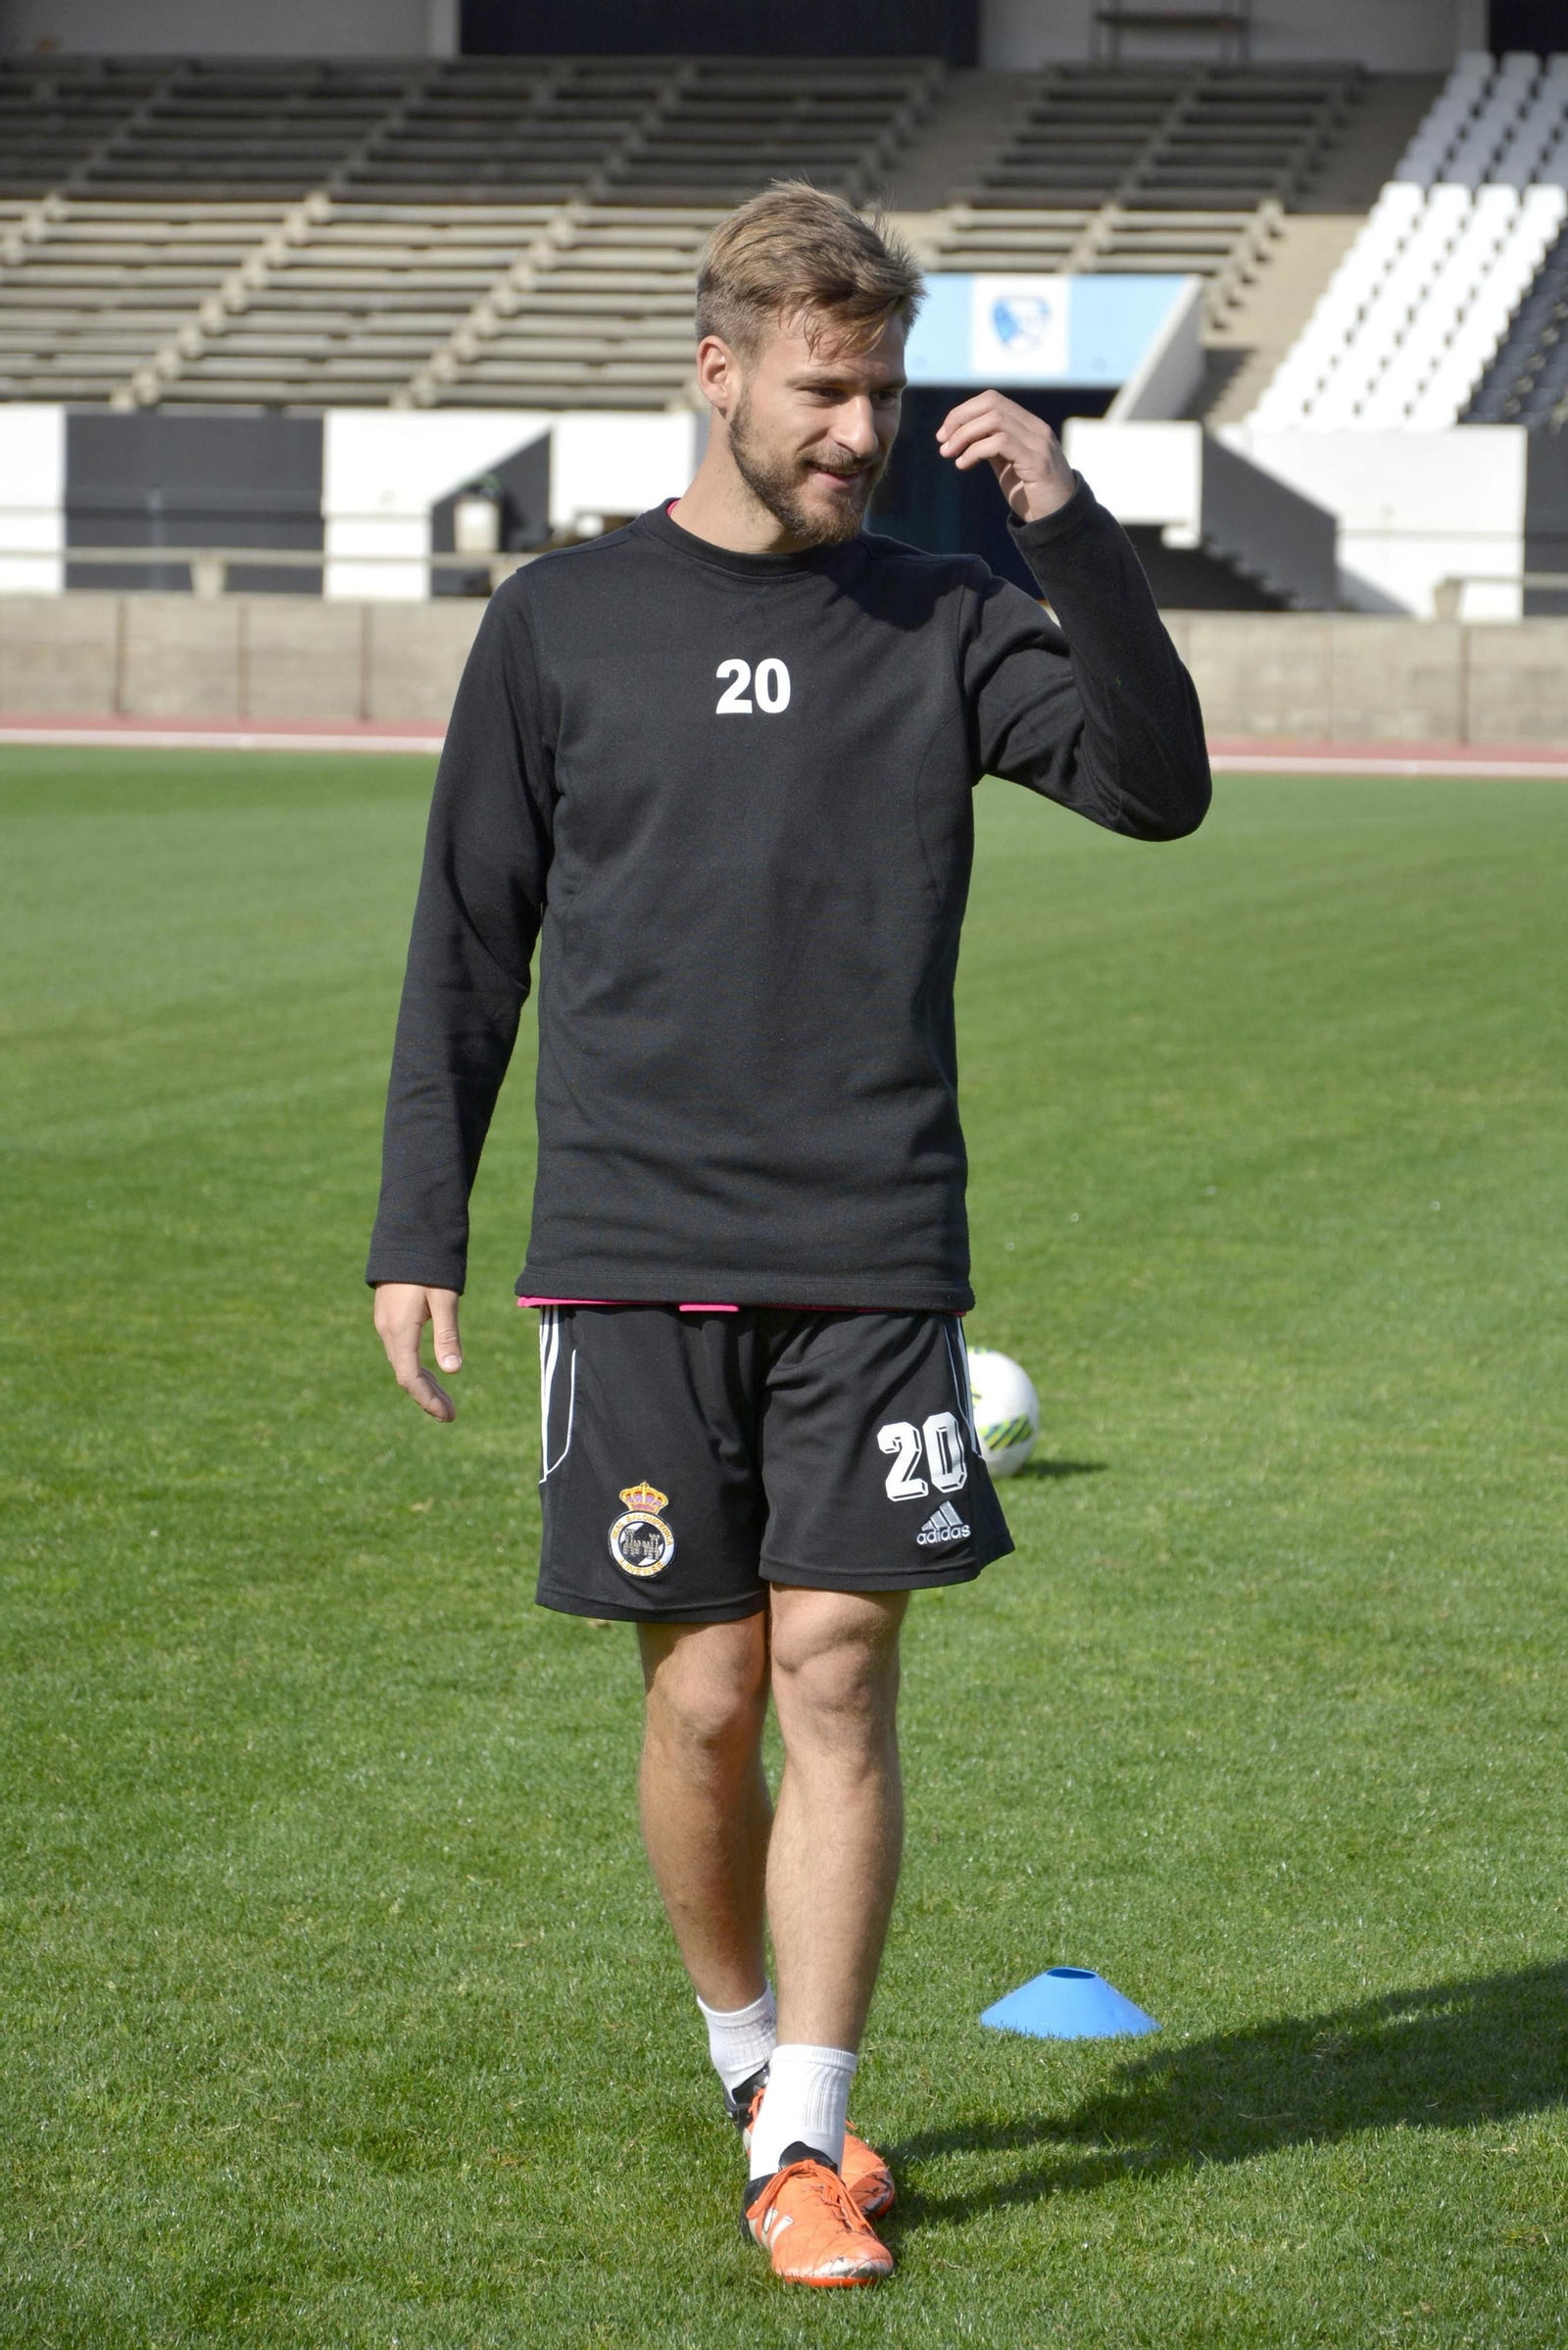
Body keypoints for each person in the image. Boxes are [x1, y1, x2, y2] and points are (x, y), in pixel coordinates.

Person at [368, 181, 1209, 2288]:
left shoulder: (944, 616)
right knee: (707, 1701)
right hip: (629, 1240)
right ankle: (751, 2065)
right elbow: (470, 933)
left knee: (835, 1667)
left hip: (871, 1237)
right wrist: (417, 1222)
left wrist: (1068, 531)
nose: (860, 430)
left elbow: (1156, 783)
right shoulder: (560, 623)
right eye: (825, 391)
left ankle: (812, 2135)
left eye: (883, 391)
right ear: (718, 371)